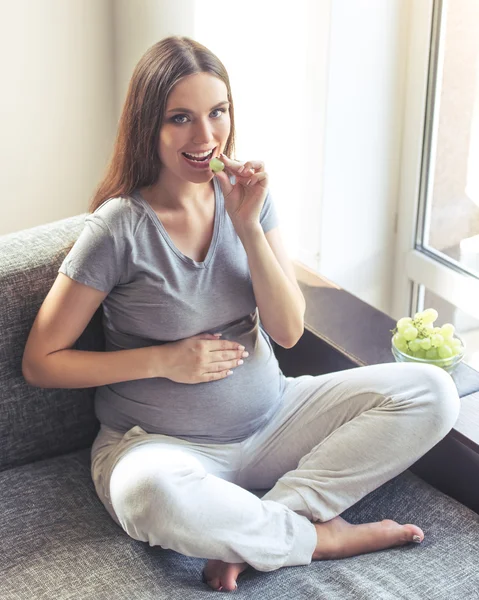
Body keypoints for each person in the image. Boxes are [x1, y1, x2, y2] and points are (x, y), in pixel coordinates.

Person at [22, 36, 460, 593]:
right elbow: (42, 362)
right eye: (180, 118)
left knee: (431, 391)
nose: (205, 137)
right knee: (147, 495)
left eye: (217, 112)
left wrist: (248, 226)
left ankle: (268, 525)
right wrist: (164, 360)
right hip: (160, 446)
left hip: (276, 417)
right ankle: (315, 538)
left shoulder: (249, 199)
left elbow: (287, 329)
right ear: (147, 127)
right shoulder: (119, 228)